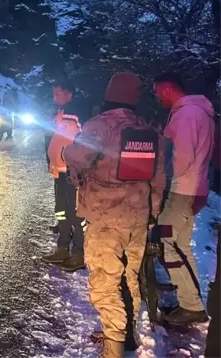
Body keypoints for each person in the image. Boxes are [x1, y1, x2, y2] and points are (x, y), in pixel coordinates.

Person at [63, 72, 165, 357]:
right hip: (138, 217)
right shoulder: (148, 129)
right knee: (129, 278)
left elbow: (78, 157)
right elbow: (158, 179)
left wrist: (69, 153)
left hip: (106, 217)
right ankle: (127, 336)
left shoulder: (100, 126)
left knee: (106, 282)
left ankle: (114, 346)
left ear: (110, 94)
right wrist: (151, 214)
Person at [153, 72, 214, 325]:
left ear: (167, 89)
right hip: (193, 188)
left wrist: (164, 176)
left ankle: (192, 306)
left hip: (183, 190)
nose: (156, 97)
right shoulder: (196, 112)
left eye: (157, 91)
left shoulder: (187, 114)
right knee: (180, 244)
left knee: (168, 241)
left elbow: (183, 155)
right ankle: (190, 300)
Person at [42, 79, 87, 272]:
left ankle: (79, 252)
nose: (54, 97)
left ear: (69, 94)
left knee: (76, 213)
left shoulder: (79, 114)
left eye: (58, 94)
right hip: (59, 171)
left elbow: (86, 142)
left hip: (72, 172)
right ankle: (62, 248)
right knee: (61, 210)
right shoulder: (59, 114)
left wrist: (77, 165)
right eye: (53, 94)